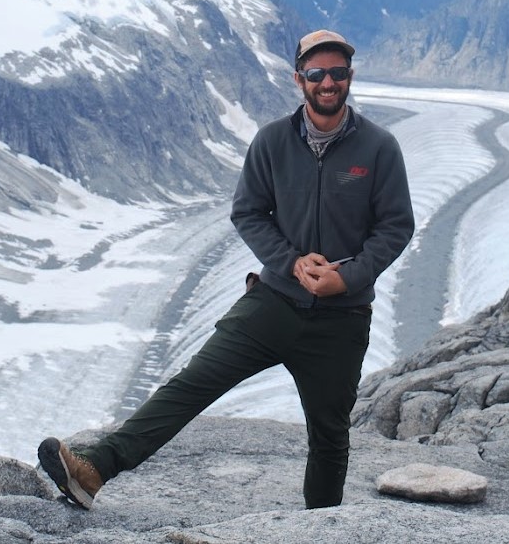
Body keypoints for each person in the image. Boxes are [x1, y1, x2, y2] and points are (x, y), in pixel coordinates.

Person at [38, 29, 414, 510]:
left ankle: (321, 528)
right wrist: (291, 262)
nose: (328, 83)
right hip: (273, 302)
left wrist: (349, 277)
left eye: (337, 73)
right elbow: (249, 213)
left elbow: (395, 226)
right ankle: (95, 470)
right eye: (317, 73)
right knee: (193, 384)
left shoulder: (378, 148)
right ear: (299, 79)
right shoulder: (273, 142)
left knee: (329, 434)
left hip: (342, 318)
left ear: (349, 77)